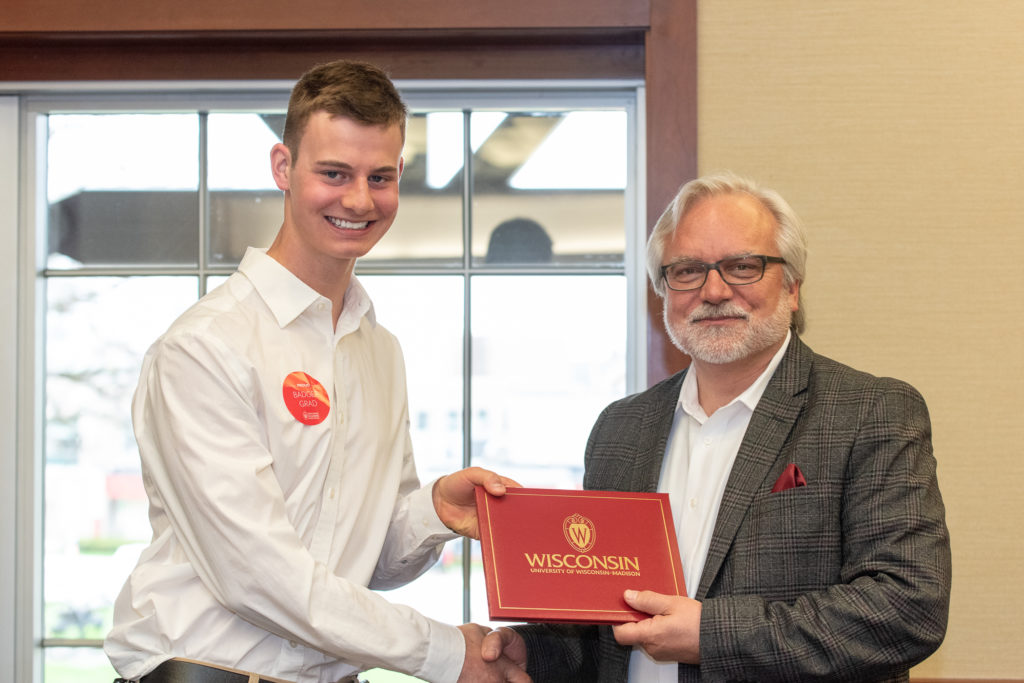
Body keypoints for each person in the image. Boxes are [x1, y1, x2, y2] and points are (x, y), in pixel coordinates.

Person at [105, 60, 529, 683]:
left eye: (379, 177)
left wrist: (434, 510)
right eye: (334, 173)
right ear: (283, 167)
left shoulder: (378, 350)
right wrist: (445, 652)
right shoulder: (204, 347)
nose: (359, 199)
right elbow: (259, 576)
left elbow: (360, 559)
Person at [481, 172, 951, 682]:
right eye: (686, 270)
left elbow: (907, 608)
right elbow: (607, 628)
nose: (713, 289)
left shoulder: (871, 411)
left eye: (743, 266)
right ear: (662, 292)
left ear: (792, 287)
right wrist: (537, 653)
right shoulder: (620, 428)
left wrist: (710, 635)